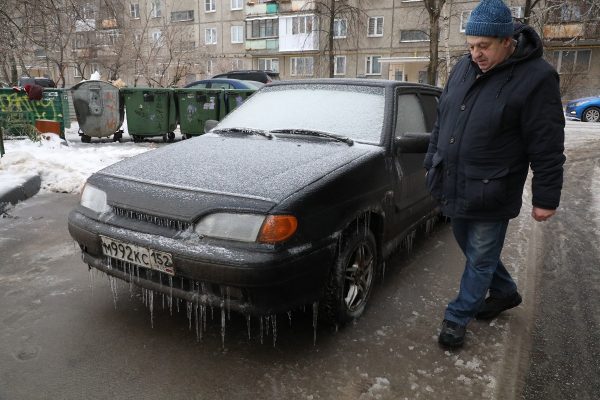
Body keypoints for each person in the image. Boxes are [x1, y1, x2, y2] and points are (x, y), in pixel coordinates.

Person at [424, 0, 565, 349]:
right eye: (471, 46)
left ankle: (457, 317)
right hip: (454, 180)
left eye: (483, 46)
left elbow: (546, 142)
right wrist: (432, 160)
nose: (476, 54)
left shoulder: (537, 77)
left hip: (493, 187)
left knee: (482, 254)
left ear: (507, 40)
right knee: (472, 249)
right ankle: (504, 292)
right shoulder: (463, 67)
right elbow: (443, 119)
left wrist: (546, 197)